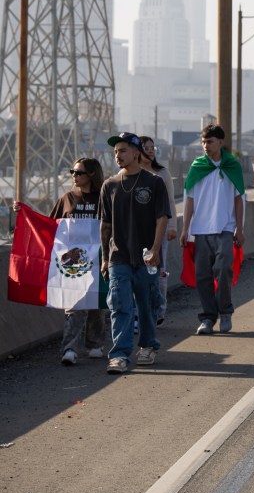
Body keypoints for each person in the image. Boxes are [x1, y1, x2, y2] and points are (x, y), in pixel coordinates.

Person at [14, 158, 109, 365]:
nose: (74, 176)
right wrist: (25, 214)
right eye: (72, 172)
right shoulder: (67, 198)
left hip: (98, 259)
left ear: (91, 174)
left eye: (78, 172)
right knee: (74, 306)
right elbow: (49, 226)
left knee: (97, 304)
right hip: (73, 264)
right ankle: (70, 348)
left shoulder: (104, 198)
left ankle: (95, 345)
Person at [99, 132, 171, 374]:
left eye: (122, 150)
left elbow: (162, 218)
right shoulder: (109, 185)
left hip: (146, 257)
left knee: (147, 305)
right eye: (115, 151)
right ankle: (119, 355)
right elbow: (105, 225)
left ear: (136, 152)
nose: (117, 155)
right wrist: (104, 258)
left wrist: (155, 248)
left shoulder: (153, 182)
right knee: (119, 305)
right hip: (118, 256)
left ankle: (148, 346)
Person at [181, 124, 245, 335]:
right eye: (203, 142)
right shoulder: (197, 166)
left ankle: (225, 311)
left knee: (225, 268)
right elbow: (189, 200)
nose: (205, 146)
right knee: (203, 276)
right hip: (200, 229)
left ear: (220, 142)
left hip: (225, 228)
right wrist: (185, 230)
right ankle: (208, 317)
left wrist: (240, 228)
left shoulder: (232, 166)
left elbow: (239, 199)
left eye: (209, 141)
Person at [139, 136, 177, 326]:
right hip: (137, 231)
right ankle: (140, 313)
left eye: (153, 147)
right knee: (138, 272)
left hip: (159, 230)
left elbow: (170, 201)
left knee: (158, 270)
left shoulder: (162, 173)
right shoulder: (131, 173)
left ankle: (159, 310)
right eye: (146, 147)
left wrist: (172, 226)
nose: (150, 151)